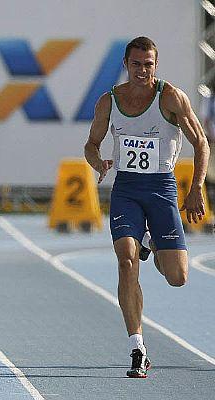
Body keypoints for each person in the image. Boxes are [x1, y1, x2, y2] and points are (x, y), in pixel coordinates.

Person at [84, 37, 209, 378]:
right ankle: (137, 347)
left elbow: (201, 143)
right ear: (127, 64)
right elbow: (91, 144)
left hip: (162, 189)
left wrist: (196, 187)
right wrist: (99, 163)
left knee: (178, 277)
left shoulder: (170, 97)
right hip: (126, 189)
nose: (142, 70)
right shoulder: (109, 101)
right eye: (137, 64)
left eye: (148, 64)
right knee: (126, 261)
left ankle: (152, 244)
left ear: (156, 65)